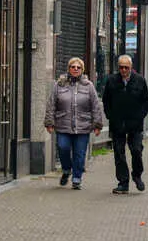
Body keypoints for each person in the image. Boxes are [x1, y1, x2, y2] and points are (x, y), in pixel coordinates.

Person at [43, 57, 103, 190]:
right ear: (69, 69)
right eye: (73, 67)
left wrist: (97, 125)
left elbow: (95, 106)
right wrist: (49, 122)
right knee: (62, 147)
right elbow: (51, 104)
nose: (75, 69)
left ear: (82, 70)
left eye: (78, 67)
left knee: (79, 153)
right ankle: (66, 170)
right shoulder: (60, 85)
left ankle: (77, 178)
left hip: (83, 126)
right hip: (63, 124)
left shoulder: (89, 86)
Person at [101, 54, 148, 194]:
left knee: (136, 150)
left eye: (126, 67)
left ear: (131, 67)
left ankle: (137, 175)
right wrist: (109, 115)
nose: (123, 70)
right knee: (119, 153)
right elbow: (106, 100)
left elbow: (147, 100)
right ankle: (123, 182)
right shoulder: (112, 81)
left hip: (135, 124)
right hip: (117, 123)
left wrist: (141, 115)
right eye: (121, 67)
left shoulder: (140, 81)